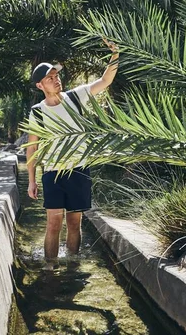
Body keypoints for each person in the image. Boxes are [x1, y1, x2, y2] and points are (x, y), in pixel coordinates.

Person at [26, 39, 119, 271]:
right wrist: (31, 180)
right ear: (40, 86)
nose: (56, 79)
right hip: (53, 174)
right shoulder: (37, 113)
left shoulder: (76, 97)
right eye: (50, 78)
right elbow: (32, 148)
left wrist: (116, 54)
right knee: (53, 223)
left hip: (79, 170)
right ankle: (50, 267)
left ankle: (72, 266)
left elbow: (105, 81)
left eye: (56, 75)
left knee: (75, 222)